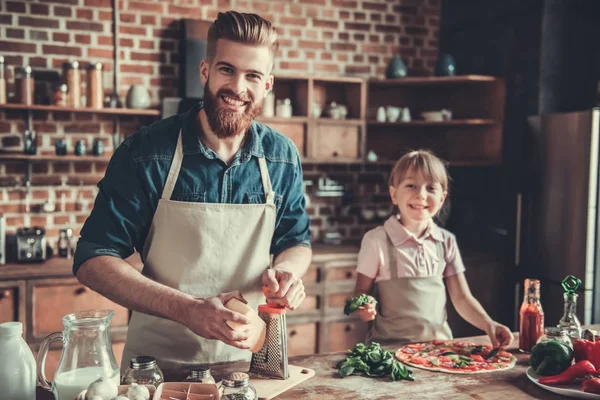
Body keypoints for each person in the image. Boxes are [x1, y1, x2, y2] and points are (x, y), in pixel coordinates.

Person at [73, 11, 311, 375]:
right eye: (227, 69)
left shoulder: (282, 157)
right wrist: (187, 308)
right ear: (205, 71)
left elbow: (296, 241)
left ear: (268, 84)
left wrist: (288, 272)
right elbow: (93, 259)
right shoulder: (146, 153)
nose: (238, 87)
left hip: (252, 365)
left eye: (253, 76)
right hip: (155, 370)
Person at [351, 150, 513, 349]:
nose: (421, 195)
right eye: (411, 185)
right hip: (390, 350)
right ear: (394, 194)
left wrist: (489, 324)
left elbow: (462, 298)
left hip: (438, 350)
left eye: (431, 188)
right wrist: (363, 307)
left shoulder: (446, 241)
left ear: (442, 198)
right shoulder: (376, 240)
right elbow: (360, 292)